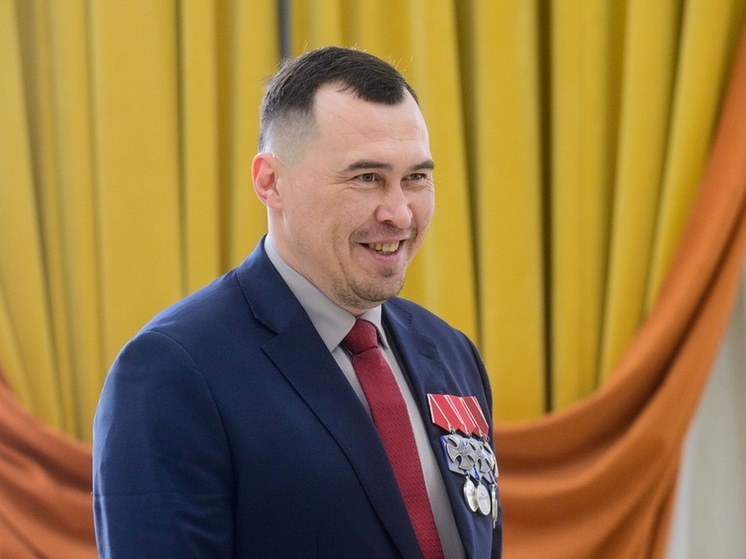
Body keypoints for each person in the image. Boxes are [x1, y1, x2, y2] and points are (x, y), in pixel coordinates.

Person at [93, 46, 502, 559]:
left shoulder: (451, 353)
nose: (399, 213)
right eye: (366, 178)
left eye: (415, 177)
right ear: (271, 182)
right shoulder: (174, 369)